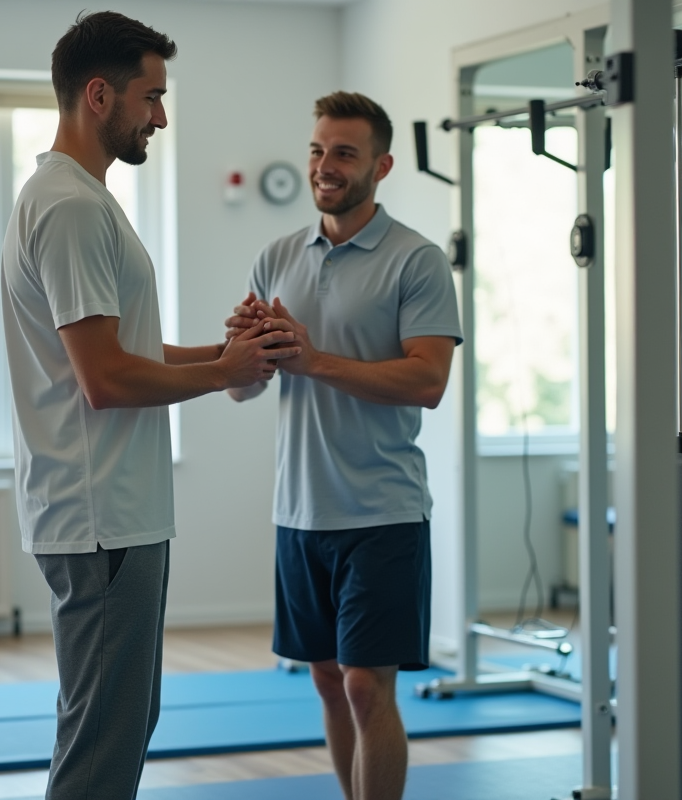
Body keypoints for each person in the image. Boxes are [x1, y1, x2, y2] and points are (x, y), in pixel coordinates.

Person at [1, 12, 299, 800]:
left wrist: (231, 354)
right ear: (99, 96)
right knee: (103, 746)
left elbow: (122, 351)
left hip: (110, 516)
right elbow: (105, 380)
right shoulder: (69, 208)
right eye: (152, 97)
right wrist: (222, 371)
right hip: (102, 519)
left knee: (121, 726)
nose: (161, 117)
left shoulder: (80, 199)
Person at [226, 92, 463, 800]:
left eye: (344, 153)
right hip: (300, 512)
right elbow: (244, 389)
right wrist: (247, 351)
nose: (325, 166)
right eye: (317, 150)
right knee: (328, 681)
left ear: (381, 166)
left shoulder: (415, 262)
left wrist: (311, 357)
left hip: (382, 511)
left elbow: (428, 380)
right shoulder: (276, 256)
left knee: (366, 685)